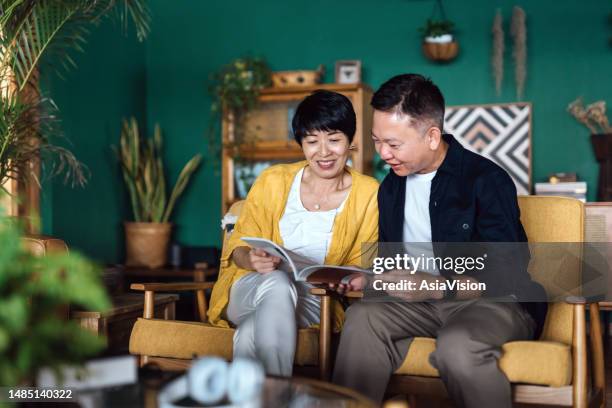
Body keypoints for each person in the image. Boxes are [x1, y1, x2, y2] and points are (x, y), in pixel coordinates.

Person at [332, 74, 546, 407]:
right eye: (377, 141)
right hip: (421, 306)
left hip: (494, 303)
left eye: (394, 144)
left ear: (432, 136)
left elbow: (509, 272)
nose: (383, 153)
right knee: (362, 320)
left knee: (457, 344)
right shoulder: (391, 188)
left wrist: (434, 286)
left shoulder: (485, 179)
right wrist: (374, 278)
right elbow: (394, 259)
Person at [207, 90, 379, 377]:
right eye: (312, 142)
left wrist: (345, 277)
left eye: (334, 140)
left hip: (316, 300)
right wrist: (251, 259)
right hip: (251, 287)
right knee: (275, 281)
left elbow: (367, 264)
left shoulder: (370, 193)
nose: (323, 152)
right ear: (301, 143)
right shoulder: (272, 180)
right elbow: (237, 246)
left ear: (351, 141)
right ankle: (278, 393)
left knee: (251, 331)